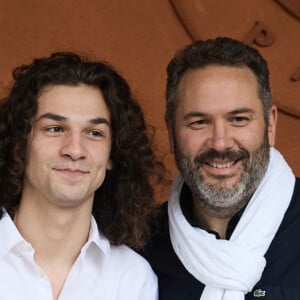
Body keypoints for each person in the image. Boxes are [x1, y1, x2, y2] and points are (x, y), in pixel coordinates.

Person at [142, 37, 300, 300]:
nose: (220, 142)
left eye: (238, 119)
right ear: (171, 133)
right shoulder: (141, 247)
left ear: (270, 125)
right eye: (199, 122)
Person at [0, 52, 163, 299]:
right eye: (55, 129)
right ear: (20, 143)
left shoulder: (132, 279)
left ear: (112, 154)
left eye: (94, 133)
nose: (75, 150)